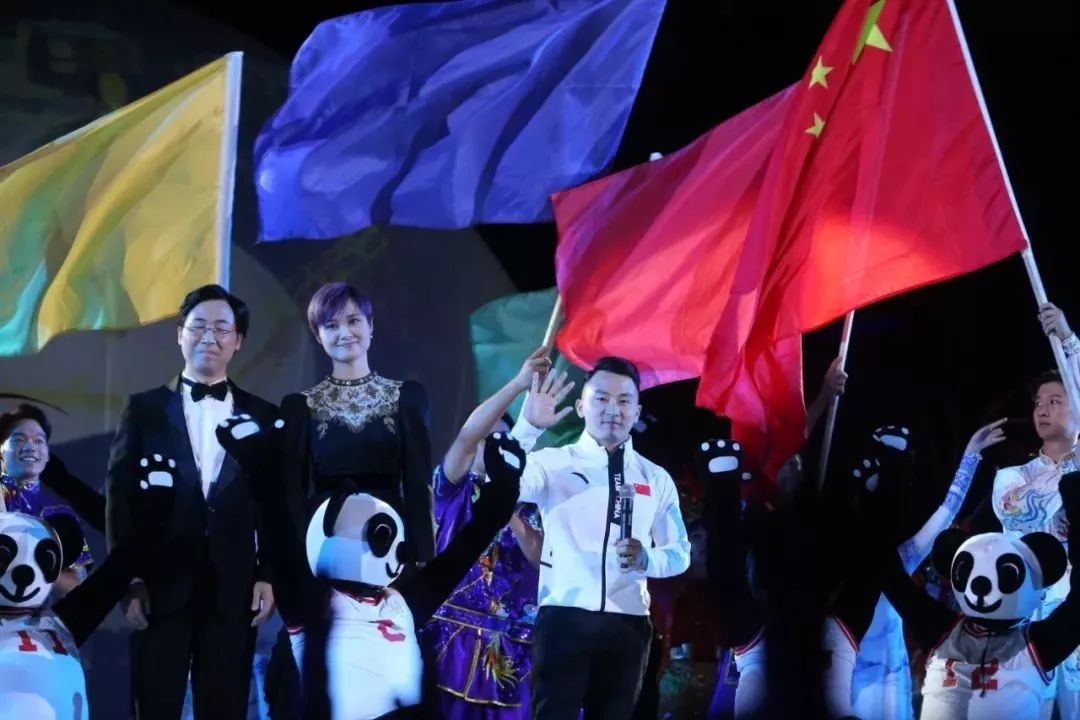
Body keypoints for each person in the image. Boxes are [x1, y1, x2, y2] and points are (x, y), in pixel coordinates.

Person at [105, 284, 278, 720]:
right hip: (159, 590)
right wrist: (128, 581)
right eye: (198, 326)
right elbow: (120, 503)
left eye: (222, 328)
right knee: (155, 706)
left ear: (238, 340)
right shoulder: (143, 409)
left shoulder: (263, 415)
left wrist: (267, 574)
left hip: (233, 591)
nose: (209, 337)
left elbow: (272, 502)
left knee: (225, 708)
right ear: (179, 333)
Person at [516, 356, 690, 719]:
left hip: (628, 623)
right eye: (601, 398)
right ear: (582, 407)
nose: (613, 409)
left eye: (624, 400)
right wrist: (528, 427)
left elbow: (680, 553)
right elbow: (503, 482)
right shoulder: (552, 463)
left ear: (637, 411)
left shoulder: (655, 478)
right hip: (563, 615)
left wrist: (647, 559)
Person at [424, 348, 573, 719]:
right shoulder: (455, 491)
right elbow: (466, 436)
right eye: (486, 441)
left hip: (512, 650)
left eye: (501, 441)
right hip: (450, 642)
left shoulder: (531, 502)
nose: (492, 447)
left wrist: (510, 514)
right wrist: (518, 385)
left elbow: (543, 557)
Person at [279, 282, 434, 564]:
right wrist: (299, 563)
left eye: (353, 321)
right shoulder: (300, 406)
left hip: (389, 540)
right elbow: (293, 495)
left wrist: (423, 558)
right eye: (331, 325)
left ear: (370, 325)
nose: (345, 333)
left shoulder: (405, 397)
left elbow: (417, 485)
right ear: (318, 336)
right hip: (325, 543)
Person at [991, 302, 1080, 720]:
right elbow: (1025, 520)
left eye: (1056, 400)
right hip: (1028, 624)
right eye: (1039, 402)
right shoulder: (1011, 478)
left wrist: (1069, 340)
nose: (1043, 409)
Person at [0, 403, 99, 598]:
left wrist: (39, 562)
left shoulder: (61, 516)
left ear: (47, 455)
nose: (30, 448)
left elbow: (78, 585)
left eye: (38, 441)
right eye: (19, 440)